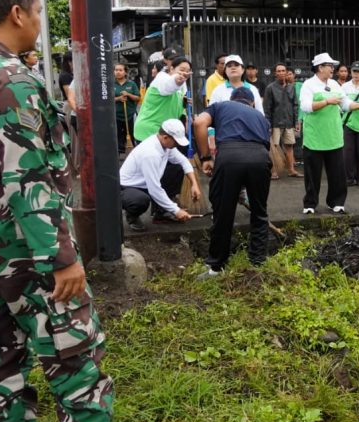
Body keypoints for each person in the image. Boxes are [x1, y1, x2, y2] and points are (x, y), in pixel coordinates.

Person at [0, 0, 114, 422]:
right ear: (15, 13)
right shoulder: (10, 80)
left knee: (1, 358)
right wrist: (62, 258)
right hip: (29, 253)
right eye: (36, 11)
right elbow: (27, 179)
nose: (37, 22)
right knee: (76, 363)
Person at [194, 87, 272, 278]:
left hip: (229, 156)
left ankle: (216, 266)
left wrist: (205, 157)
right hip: (260, 157)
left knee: (223, 213)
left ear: (232, 99)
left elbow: (198, 123)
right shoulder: (261, 117)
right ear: (252, 103)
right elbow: (265, 145)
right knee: (259, 212)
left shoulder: (220, 106)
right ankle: (258, 263)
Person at [299, 52, 359, 214]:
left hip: (334, 136)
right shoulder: (308, 85)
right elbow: (306, 107)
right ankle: (310, 204)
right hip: (314, 137)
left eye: (332, 66)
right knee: (312, 174)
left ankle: (336, 202)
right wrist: (326, 101)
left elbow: (345, 104)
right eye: (329, 66)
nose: (332, 69)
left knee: (337, 173)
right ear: (319, 67)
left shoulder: (336, 85)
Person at [119, 118, 201, 230]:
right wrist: (176, 210)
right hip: (128, 187)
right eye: (176, 141)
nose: (177, 144)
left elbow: (183, 160)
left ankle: (161, 212)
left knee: (177, 168)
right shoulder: (150, 153)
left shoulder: (165, 145)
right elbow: (154, 189)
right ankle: (132, 215)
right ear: (165, 137)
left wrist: (194, 184)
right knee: (140, 200)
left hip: (146, 184)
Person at [134, 55, 190, 142]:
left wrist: (185, 105)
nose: (184, 73)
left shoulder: (182, 86)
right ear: (171, 69)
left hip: (167, 135)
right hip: (148, 133)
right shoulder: (161, 78)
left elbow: (177, 107)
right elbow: (170, 85)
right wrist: (177, 80)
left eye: (188, 71)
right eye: (181, 70)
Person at [264, 62, 302, 179]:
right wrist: (268, 123)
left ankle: (291, 170)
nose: (281, 73)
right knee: (274, 147)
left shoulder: (291, 87)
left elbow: (295, 105)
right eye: (278, 71)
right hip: (275, 122)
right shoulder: (270, 88)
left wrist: (296, 121)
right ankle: (274, 171)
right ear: (275, 73)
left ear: (286, 72)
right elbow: (267, 107)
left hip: (289, 122)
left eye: (283, 71)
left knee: (289, 146)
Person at [114, 62, 140, 154]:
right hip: (116, 116)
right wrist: (118, 98)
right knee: (118, 136)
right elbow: (107, 100)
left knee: (132, 135)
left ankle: (134, 152)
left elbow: (138, 97)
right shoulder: (111, 84)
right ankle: (119, 155)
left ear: (125, 72)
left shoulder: (131, 84)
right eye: (116, 70)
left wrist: (128, 94)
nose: (118, 72)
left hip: (129, 115)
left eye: (120, 70)